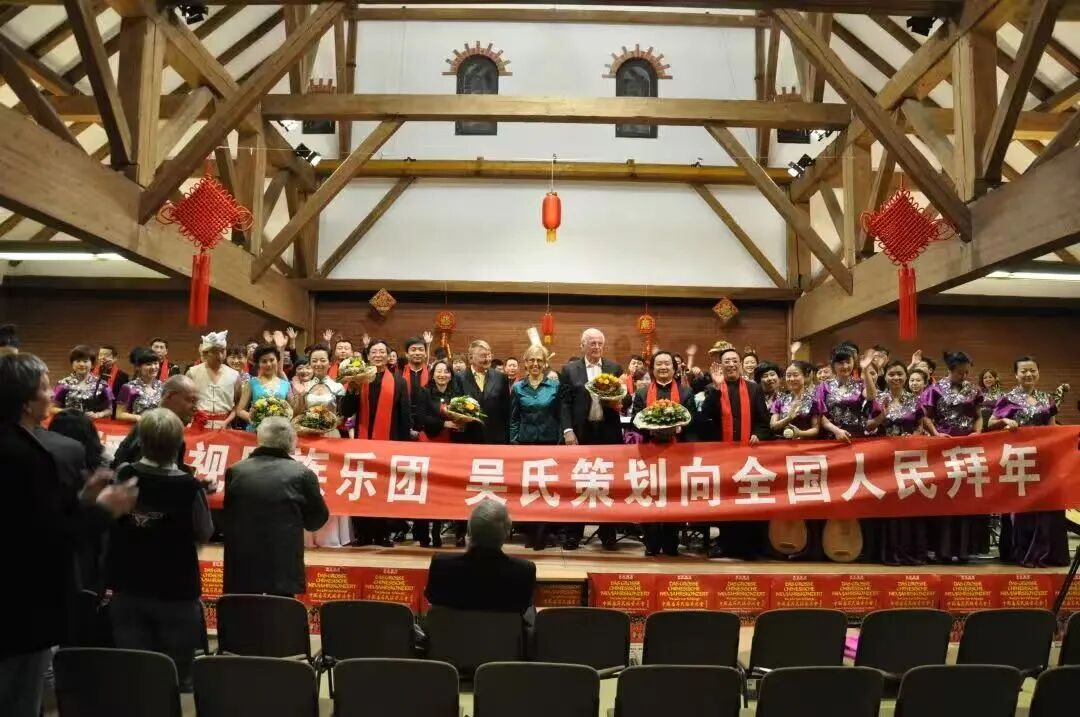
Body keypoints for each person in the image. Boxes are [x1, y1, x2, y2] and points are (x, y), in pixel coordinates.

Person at [1, 353, 136, 717]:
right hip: (20, 608)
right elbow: (47, 539)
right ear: (26, 402)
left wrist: (81, 500)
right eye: (46, 388)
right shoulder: (24, 455)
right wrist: (103, 510)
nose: (52, 396)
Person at [106, 409, 212, 691]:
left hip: (128, 585)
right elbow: (204, 531)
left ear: (141, 441)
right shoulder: (190, 486)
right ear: (179, 444)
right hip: (176, 590)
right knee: (175, 677)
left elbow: (106, 520)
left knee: (134, 672)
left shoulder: (124, 475)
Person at [224, 418, 329, 596]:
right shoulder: (303, 474)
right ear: (291, 440)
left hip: (241, 567)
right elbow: (316, 520)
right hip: (282, 569)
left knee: (242, 610)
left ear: (259, 438)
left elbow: (228, 513)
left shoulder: (235, 471)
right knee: (281, 611)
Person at [989, 356, 1068, 568]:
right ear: (1016, 375)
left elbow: (1052, 427)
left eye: (1032, 370)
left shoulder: (1047, 399)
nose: (1028, 374)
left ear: (1038, 373)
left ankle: (1046, 552)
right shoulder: (1008, 398)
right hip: (1019, 459)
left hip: (1043, 459)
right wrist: (1005, 421)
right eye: (1023, 371)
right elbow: (991, 423)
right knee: (1022, 506)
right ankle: (1021, 551)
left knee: (1046, 505)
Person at [698, 343, 772, 559]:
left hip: (749, 455)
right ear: (720, 366)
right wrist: (716, 388)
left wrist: (759, 434)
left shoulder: (754, 388)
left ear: (740, 364)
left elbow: (764, 422)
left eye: (734, 361)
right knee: (726, 500)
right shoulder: (712, 389)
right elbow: (704, 418)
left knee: (747, 500)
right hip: (723, 455)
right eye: (726, 361)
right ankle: (725, 543)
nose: (730, 364)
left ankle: (748, 547)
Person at [340, 339, 411, 547]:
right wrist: (353, 389)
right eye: (374, 352)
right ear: (367, 355)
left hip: (389, 443)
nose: (378, 355)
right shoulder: (359, 379)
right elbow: (346, 411)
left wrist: (404, 446)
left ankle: (383, 534)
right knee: (362, 486)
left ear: (388, 356)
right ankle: (363, 534)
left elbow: (404, 416)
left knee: (383, 488)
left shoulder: (399, 382)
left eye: (382, 352)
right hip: (362, 443)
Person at [559, 328, 623, 550]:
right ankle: (573, 534)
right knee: (578, 483)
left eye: (600, 343)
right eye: (592, 343)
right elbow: (564, 403)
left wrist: (620, 402)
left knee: (607, 484)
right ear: (582, 345)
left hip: (608, 434)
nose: (596, 347)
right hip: (580, 434)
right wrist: (567, 430)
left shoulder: (614, 368)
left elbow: (625, 398)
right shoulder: (569, 370)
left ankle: (608, 533)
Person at [920, 351, 985, 563]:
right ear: (949, 370)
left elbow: (978, 417)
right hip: (942, 450)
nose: (964, 376)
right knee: (945, 498)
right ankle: (943, 550)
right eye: (960, 373)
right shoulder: (934, 390)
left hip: (967, 450)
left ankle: (964, 550)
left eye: (967, 372)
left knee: (964, 499)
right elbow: (926, 418)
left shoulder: (973, 390)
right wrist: (936, 434)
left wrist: (977, 432)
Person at [424, 501, 536, 617]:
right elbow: (524, 607)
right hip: (503, 629)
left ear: (469, 531)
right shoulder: (524, 571)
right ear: (507, 533)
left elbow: (431, 598)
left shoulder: (441, 565)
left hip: (453, 628)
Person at [630, 350, 693, 557]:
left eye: (667, 364)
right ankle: (651, 544)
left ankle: (671, 543)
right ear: (652, 368)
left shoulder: (685, 392)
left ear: (674, 369)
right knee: (650, 496)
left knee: (673, 497)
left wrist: (679, 428)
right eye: (659, 364)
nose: (663, 367)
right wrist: (650, 429)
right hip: (649, 452)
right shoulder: (642, 393)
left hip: (677, 453)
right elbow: (635, 422)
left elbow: (693, 420)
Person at [866, 360, 928, 566]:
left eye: (900, 374)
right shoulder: (878, 399)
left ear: (905, 376)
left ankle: (910, 552)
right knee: (889, 505)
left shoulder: (914, 399)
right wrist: (882, 416)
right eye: (892, 374)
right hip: (884, 460)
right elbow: (868, 426)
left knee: (909, 505)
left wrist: (914, 437)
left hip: (909, 460)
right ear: (885, 377)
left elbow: (920, 425)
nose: (896, 378)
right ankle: (889, 553)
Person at [294, 345, 350, 549]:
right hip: (308, 439)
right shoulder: (303, 387)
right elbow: (297, 413)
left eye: (322, 360)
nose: (318, 364)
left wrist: (328, 424)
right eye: (314, 360)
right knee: (308, 485)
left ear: (330, 362)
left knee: (330, 484)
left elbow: (343, 416)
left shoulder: (338, 387)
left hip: (331, 437)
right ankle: (308, 535)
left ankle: (330, 535)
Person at [510, 345, 561, 551]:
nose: (535, 364)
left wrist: (559, 443)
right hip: (526, 444)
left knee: (546, 489)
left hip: (549, 444)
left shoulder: (555, 386)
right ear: (525, 363)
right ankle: (531, 532)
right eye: (531, 360)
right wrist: (514, 442)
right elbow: (514, 418)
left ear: (545, 363)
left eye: (539, 360)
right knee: (529, 490)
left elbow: (560, 417)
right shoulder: (518, 388)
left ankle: (543, 533)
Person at [413, 359, 459, 548]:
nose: (442, 375)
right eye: (438, 371)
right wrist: (443, 423)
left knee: (441, 490)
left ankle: (436, 532)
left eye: (446, 371)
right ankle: (423, 534)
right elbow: (420, 418)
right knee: (424, 489)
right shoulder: (424, 392)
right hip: (428, 442)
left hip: (448, 445)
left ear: (451, 375)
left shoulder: (455, 394)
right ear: (433, 374)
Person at [112, 376, 198, 469]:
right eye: (191, 400)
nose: (195, 408)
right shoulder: (150, 431)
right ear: (170, 396)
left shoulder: (174, 434)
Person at [814, 344, 881, 443]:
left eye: (848, 362)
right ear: (833, 365)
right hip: (831, 437)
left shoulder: (860, 384)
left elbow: (871, 396)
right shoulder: (824, 386)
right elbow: (819, 414)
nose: (845, 366)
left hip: (856, 436)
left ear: (853, 362)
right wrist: (836, 431)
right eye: (841, 363)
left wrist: (866, 369)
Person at [186, 331, 240, 430]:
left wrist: (227, 421)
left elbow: (237, 405)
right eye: (215, 352)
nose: (220, 356)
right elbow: (185, 401)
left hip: (224, 427)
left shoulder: (234, 375)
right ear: (206, 353)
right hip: (199, 427)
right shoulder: (192, 373)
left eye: (222, 351)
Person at [235, 344, 292, 430]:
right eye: (264, 361)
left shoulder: (286, 384)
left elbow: (291, 410)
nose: (268, 364)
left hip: (279, 431)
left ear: (277, 360)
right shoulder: (252, 383)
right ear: (259, 364)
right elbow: (240, 410)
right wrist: (256, 420)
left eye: (272, 360)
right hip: (255, 431)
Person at [52, 345, 113, 418]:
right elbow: (52, 408)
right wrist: (70, 413)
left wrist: (98, 414)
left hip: (92, 423)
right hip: (68, 422)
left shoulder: (102, 384)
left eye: (85, 361)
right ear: (72, 364)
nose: (81, 364)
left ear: (92, 365)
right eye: (78, 361)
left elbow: (109, 410)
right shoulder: (63, 384)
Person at [769, 360, 820, 440]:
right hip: (783, 444)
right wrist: (789, 418)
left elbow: (816, 429)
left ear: (805, 376)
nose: (792, 379)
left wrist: (800, 433)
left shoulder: (813, 400)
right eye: (788, 375)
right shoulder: (780, 400)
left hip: (805, 444)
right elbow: (773, 426)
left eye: (796, 375)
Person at [116, 348, 164, 423]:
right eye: (148, 364)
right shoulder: (128, 387)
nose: (153, 367)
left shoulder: (162, 386)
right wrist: (141, 418)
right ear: (138, 367)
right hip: (137, 427)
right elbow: (119, 414)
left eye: (155, 363)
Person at [400, 336, 432, 439]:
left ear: (425, 354)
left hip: (427, 427)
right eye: (413, 350)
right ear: (406, 354)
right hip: (403, 424)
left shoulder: (433, 375)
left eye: (421, 350)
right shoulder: (398, 375)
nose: (417, 353)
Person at [93, 345, 130, 414]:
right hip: (91, 412)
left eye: (107, 355)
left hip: (112, 412)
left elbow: (122, 399)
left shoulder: (123, 376)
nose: (103, 357)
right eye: (100, 355)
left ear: (115, 358)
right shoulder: (91, 372)